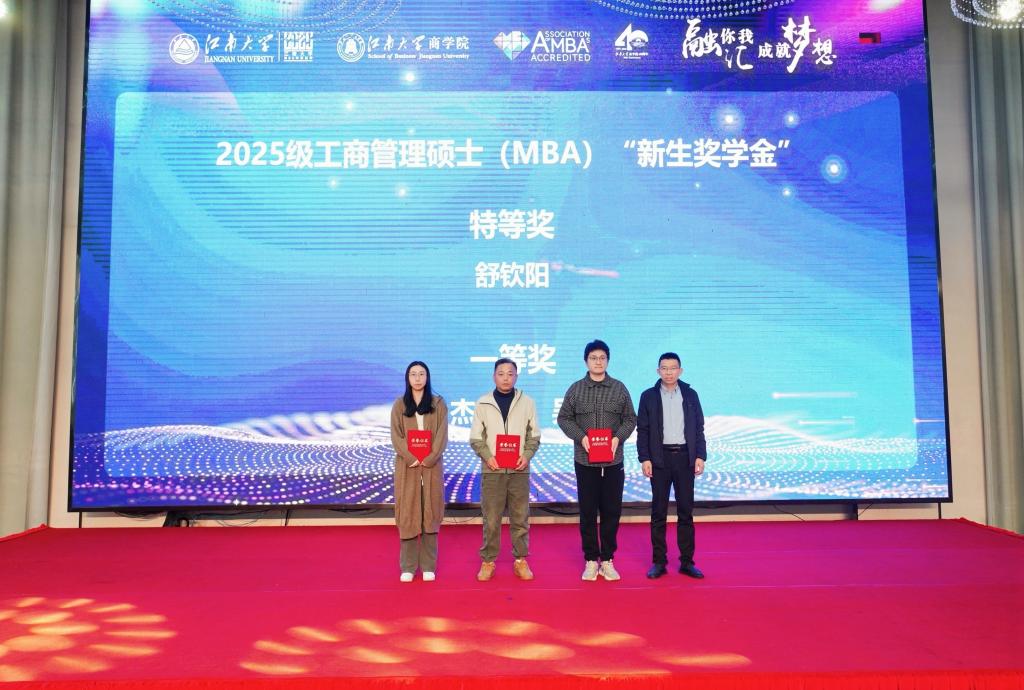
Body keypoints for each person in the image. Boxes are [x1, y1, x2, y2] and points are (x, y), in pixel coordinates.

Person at [557, 340, 637, 581]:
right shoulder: (576, 389)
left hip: (613, 462)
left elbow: (630, 419)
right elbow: (564, 418)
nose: (598, 362)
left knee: (612, 511)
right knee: (588, 512)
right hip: (585, 462)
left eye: (602, 358)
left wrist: (617, 438)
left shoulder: (619, 389)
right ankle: (591, 560)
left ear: (608, 361)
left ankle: (608, 560)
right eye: (593, 358)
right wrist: (581, 437)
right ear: (586, 361)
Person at [469, 358, 541, 581]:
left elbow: (534, 436)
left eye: (510, 373)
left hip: (519, 470)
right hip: (493, 470)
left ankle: (520, 560)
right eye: (501, 373)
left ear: (516, 376)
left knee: (520, 517)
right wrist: (488, 457)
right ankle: (488, 561)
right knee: (491, 519)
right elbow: (475, 438)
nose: (506, 378)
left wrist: (526, 456)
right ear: (494, 376)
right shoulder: (483, 403)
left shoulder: (527, 402)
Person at [636, 352, 706, 579]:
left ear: (680, 371)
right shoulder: (648, 396)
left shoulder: (690, 395)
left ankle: (687, 562)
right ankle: (659, 562)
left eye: (673, 368)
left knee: (686, 512)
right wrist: (644, 458)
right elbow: (643, 430)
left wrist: (700, 455)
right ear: (658, 371)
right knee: (659, 512)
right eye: (664, 368)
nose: (668, 372)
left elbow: (698, 427)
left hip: (685, 458)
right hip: (660, 459)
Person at [389, 361, 448, 582]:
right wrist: (411, 457)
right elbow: (396, 435)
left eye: (421, 374)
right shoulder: (399, 405)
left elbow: (442, 434)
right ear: (407, 378)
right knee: (408, 513)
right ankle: (408, 566)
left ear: (427, 377)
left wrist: (430, 458)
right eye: (413, 374)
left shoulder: (438, 404)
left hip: (431, 467)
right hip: (408, 467)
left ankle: (428, 565)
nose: (417, 378)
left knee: (430, 514)